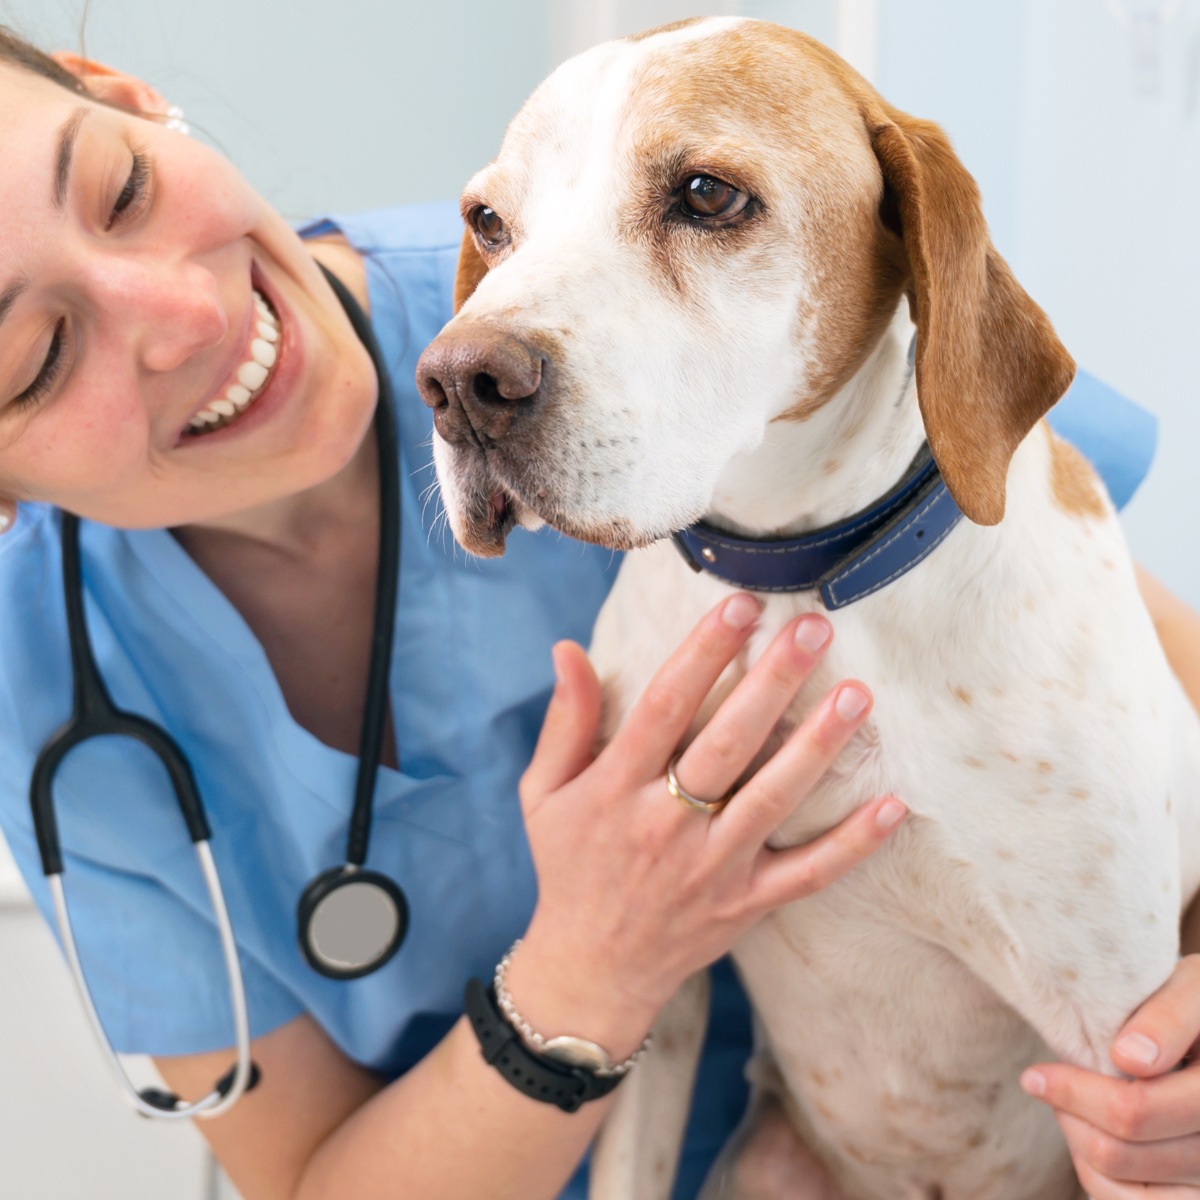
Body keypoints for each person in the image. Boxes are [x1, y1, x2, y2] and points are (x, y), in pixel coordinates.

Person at [0, 29, 1197, 1199]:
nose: (188, 315)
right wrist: (592, 964)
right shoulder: (41, 676)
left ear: (124, 93)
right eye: (36, 358)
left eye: (123, 190)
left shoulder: (861, 397)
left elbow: (1116, 665)